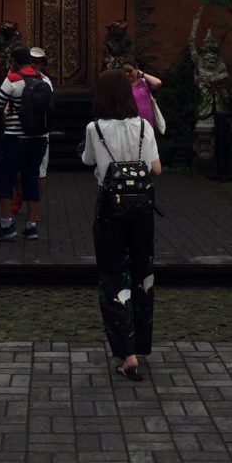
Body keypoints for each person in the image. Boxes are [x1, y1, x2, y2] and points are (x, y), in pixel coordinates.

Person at [82, 68, 161, 381]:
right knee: (143, 275)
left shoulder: (94, 129)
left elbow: (89, 161)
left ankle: (127, 353)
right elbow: (156, 170)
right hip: (141, 212)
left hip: (110, 212)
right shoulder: (144, 127)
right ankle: (140, 343)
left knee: (113, 277)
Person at [0, 46, 49, 241]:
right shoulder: (43, 79)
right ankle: (31, 226)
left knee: (4, 178)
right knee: (31, 178)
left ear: (14, 62)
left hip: (15, 138)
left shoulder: (13, 79)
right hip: (39, 139)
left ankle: (7, 224)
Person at [12, 47, 54, 217]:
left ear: (43, 64)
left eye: (38, 62)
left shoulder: (45, 81)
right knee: (15, 168)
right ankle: (21, 192)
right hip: (18, 129)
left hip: (39, 131)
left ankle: (35, 204)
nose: (35, 65)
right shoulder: (17, 78)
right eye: (32, 61)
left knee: (40, 171)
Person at [122, 60, 162, 130]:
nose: (127, 74)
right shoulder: (123, 86)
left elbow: (157, 83)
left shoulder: (144, 82)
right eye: (124, 72)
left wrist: (142, 73)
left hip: (148, 122)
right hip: (131, 124)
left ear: (137, 69)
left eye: (130, 70)